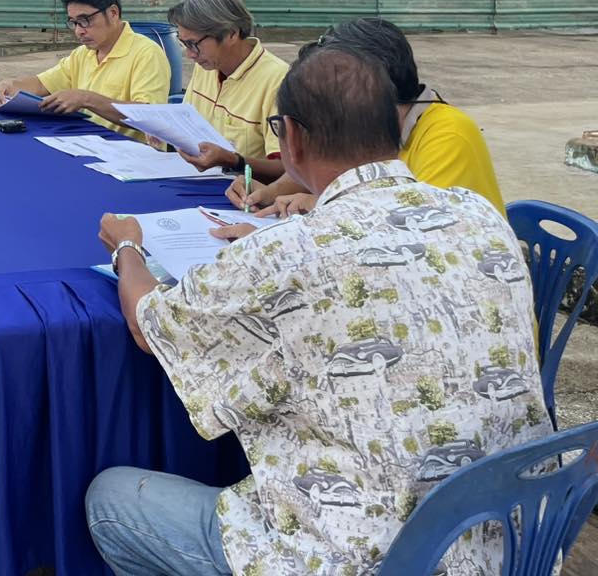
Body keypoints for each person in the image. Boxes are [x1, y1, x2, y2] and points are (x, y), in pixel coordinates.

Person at [88, 49, 548, 575]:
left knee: (112, 499)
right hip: (511, 539)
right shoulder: (479, 214)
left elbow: (152, 325)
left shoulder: (286, 253)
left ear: (292, 138)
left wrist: (128, 247)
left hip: (358, 555)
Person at [230, 18, 505, 219]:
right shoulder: (362, 128)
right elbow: (322, 167)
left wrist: (317, 204)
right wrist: (269, 192)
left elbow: (412, 222)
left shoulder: (448, 134)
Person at [0, 0, 170, 132]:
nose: (79, 31)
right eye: (74, 22)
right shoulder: (83, 54)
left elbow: (150, 117)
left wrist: (87, 99)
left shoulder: (146, 53)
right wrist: (11, 86)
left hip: (134, 158)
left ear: (113, 13)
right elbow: (41, 84)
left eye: (85, 20)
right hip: (90, 145)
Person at [166, 0, 287, 182]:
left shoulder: (278, 80)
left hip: (244, 197)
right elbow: (187, 124)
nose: (189, 54)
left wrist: (233, 161)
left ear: (231, 33)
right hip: (194, 180)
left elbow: (287, 170)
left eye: (193, 44)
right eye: (183, 43)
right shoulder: (207, 65)